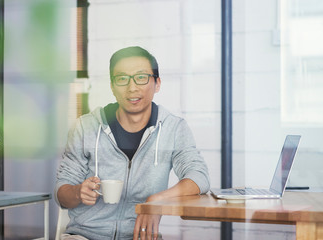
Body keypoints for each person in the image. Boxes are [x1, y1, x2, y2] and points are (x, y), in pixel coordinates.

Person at [55, 46, 210, 240]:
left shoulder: (173, 128)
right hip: (83, 236)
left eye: (141, 77)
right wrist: (78, 192)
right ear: (112, 86)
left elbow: (199, 177)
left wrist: (155, 201)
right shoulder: (86, 127)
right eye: (122, 79)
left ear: (157, 83)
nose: (132, 88)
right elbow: (62, 193)